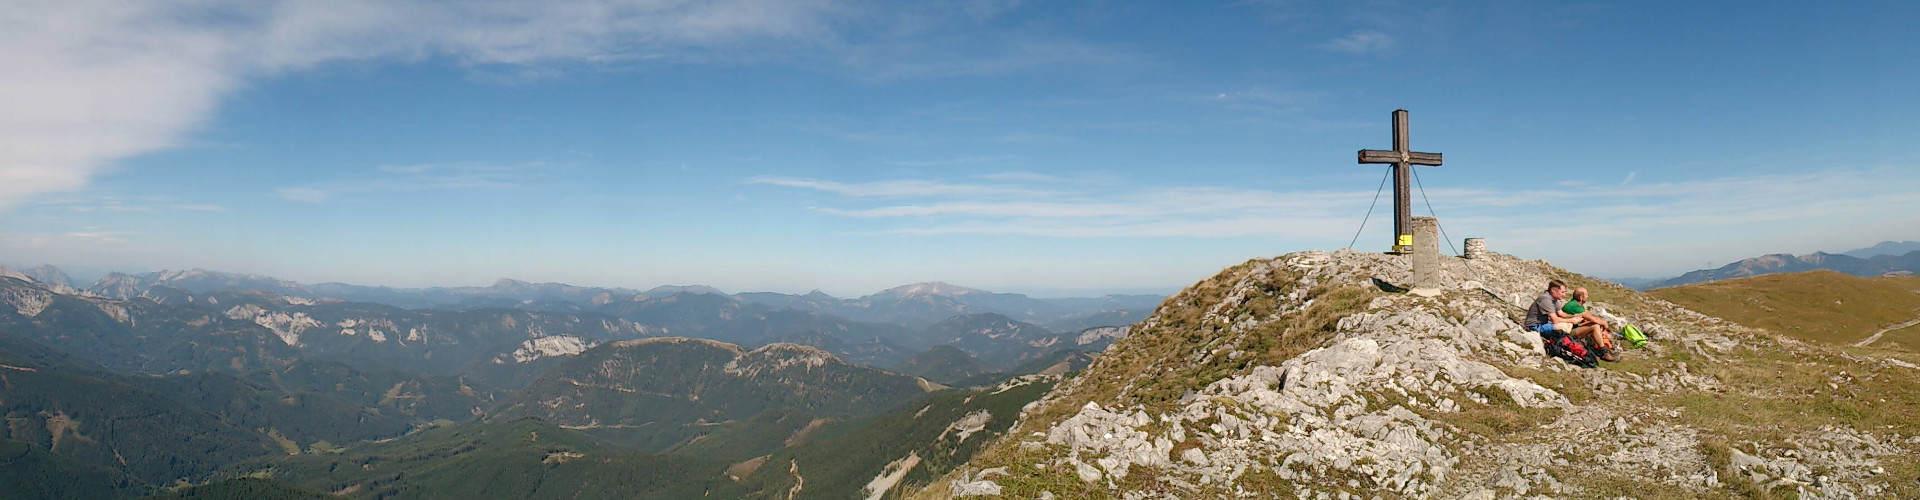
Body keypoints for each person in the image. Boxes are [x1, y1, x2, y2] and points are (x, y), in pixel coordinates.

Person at [1562, 287, 1617, 361]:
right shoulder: (1574, 305)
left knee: (1595, 325)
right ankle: (1604, 352)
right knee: (1595, 326)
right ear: (1581, 297)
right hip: (1567, 333)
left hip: (1572, 328)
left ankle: (1604, 348)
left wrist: (1599, 321)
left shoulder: (1577, 304)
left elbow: (1590, 316)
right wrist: (1604, 323)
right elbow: (1592, 318)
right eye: (1586, 295)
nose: (1588, 296)